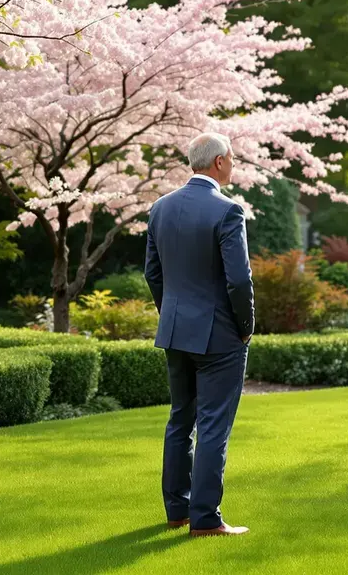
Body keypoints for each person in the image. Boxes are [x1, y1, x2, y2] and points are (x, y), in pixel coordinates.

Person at [144, 132, 254, 537]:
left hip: (174, 331)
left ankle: (178, 510)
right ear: (220, 161)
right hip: (219, 337)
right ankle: (206, 518)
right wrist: (246, 329)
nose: (234, 164)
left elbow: (152, 274)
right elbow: (239, 281)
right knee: (212, 426)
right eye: (233, 159)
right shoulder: (228, 211)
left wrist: (170, 314)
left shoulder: (159, 208)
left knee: (180, 420)